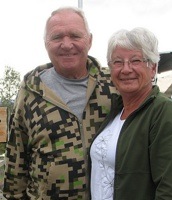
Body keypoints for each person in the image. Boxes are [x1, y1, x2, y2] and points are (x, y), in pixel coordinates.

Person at [3, 7, 118, 199]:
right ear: (46, 43)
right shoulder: (31, 91)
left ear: (89, 40)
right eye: (57, 37)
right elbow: (16, 157)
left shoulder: (112, 85)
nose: (66, 44)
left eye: (75, 35)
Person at [89, 27, 172, 200]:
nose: (126, 69)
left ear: (153, 68)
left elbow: (171, 192)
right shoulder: (115, 112)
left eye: (135, 61)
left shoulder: (162, 112)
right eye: (118, 62)